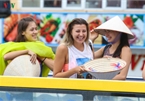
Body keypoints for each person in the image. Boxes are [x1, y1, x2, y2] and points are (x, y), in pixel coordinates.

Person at [90, 16, 134, 80]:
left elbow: (122, 76)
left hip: (115, 88)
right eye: (105, 31)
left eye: (109, 31)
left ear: (119, 31)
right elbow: (89, 59)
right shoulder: (106, 48)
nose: (106, 35)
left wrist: (101, 79)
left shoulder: (125, 49)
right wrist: (91, 41)